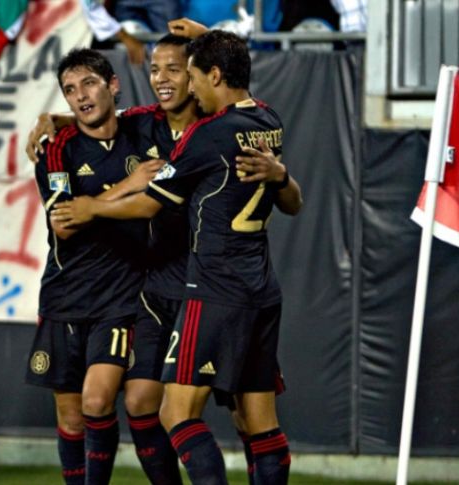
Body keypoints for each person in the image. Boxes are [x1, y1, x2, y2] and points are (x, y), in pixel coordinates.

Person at [52, 30, 302, 484]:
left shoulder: (205, 135)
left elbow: (150, 202)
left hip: (212, 289)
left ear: (207, 76)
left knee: (180, 414)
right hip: (252, 286)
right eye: (156, 69)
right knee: (255, 420)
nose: (168, 79)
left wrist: (93, 206)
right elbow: (294, 203)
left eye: (183, 71)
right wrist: (55, 120)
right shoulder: (268, 118)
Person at [25, 47, 163, 485]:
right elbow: (64, 224)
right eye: (69, 90)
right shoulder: (57, 149)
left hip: (121, 298)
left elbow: (173, 104)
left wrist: (99, 202)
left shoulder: (143, 128)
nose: (80, 96)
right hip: (66, 296)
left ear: (112, 85)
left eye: (88, 83)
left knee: (97, 401)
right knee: (71, 420)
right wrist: (130, 183)